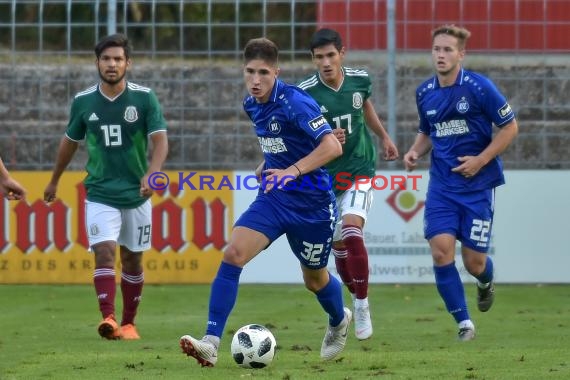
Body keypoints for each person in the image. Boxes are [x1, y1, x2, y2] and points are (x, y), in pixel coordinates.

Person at [179, 37, 350, 367]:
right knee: (233, 253)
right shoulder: (251, 104)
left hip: (313, 205)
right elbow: (278, 141)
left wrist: (292, 170)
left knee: (314, 279)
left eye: (263, 74)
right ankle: (211, 342)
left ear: (276, 72)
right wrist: (268, 166)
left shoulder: (295, 102)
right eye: (249, 72)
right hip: (274, 199)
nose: (255, 81)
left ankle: (338, 320)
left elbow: (332, 147)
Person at [43, 33, 168, 340]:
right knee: (104, 252)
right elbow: (69, 144)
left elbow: (161, 140)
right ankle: (109, 319)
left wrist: (152, 174)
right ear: (97, 62)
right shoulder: (84, 101)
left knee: (132, 258)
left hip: (136, 196)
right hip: (99, 193)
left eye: (118, 59)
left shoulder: (144, 98)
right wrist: (54, 179)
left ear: (128, 63)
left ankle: (129, 322)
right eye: (106, 59)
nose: (112, 64)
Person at [403, 25, 518, 341]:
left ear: (461, 54)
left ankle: (485, 281)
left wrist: (480, 160)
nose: (440, 55)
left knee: (474, 262)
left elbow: (510, 128)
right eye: (436, 49)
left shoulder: (480, 89)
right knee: (441, 252)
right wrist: (414, 151)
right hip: (442, 186)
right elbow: (428, 131)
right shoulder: (425, 92)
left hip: (478, 187)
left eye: (447, 50)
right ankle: (464, 324)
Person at [298, 28, 399, 341]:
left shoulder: (359, 80)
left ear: (342, 53)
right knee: (339, 247)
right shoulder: (305, 93)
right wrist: (326, 138)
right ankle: (354, 294)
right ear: (313, 60)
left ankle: (362, 304)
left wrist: (383, 136)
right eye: (319, 57)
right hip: (326, 180)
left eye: (331, 55)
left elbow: (364, 107)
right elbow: (300, 135)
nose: (326, 62)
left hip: (359, 169)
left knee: (353, 230)